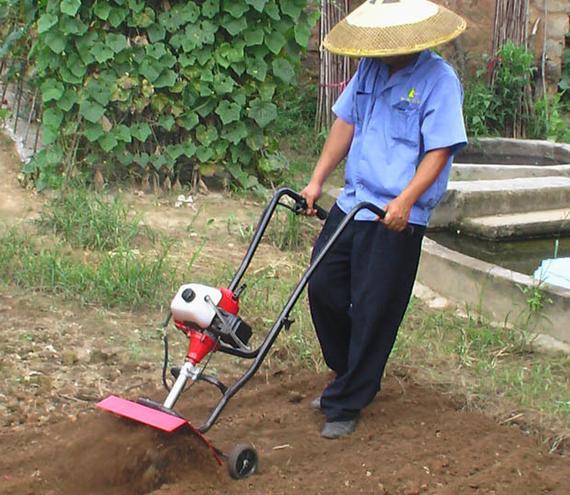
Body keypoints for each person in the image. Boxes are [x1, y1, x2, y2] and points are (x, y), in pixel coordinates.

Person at [301, 0, 468, 439]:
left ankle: (349, 400)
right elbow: (345, 123)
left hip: (395, 214)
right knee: (323, 287)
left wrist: (407, 200)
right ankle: (348, 373)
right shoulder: (371, 69)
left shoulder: (439, 81)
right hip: (355, 200)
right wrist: (317, 180)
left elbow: (441, 150)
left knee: (376, 307)